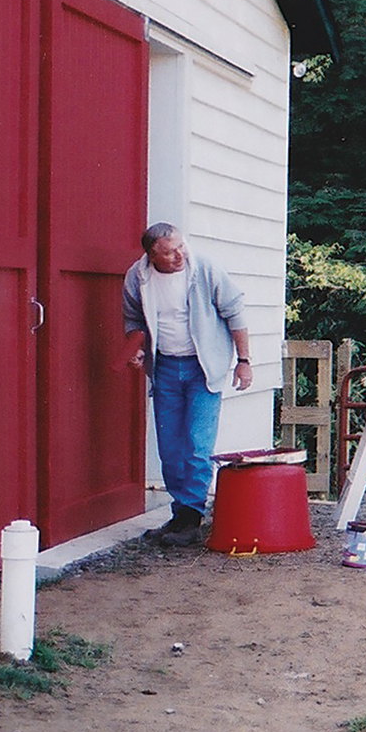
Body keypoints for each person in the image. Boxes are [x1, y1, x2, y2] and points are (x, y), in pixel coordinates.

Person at [122, 223, 253, 545]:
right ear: (152, 255)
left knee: (197, 444)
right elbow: (133, 321)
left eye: (181, 246)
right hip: (165, 367)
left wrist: (244, 362)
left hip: (203, 368)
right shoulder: (137, 278)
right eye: (169, 251)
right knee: (170, 448)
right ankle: (180, 515)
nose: (179, 254)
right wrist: (136, 348)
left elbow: (235, 313)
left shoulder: (205, 268)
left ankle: (191, 520)